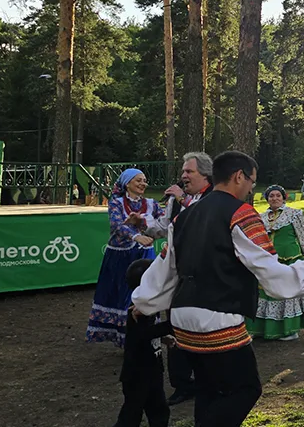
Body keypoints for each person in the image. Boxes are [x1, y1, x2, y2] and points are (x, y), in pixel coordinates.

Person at [131, 151, 304, 427]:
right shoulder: (241, 214)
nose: (251, 189)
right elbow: (268, 266)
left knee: (209, 390)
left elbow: (165, 267)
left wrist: (144, 301)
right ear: (239, 176)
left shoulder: (184, 217)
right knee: (246, 389)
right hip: (218, 318)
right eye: (251, 182)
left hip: (182, 320)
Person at [87, 168, 167, 347]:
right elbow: (116, 225)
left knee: (147, 292)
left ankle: (147, 334)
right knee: (122, 294)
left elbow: (163, 223)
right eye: (138, 180)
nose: (143, 183)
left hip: (144, 255)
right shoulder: (116, 203)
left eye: (144, 180)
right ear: (127, 183)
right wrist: (135, 235)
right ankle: (125, 338)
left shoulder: (152, 204)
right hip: (120, 256)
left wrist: (142, 223)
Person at [159, 152, 214, 406]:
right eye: (182, 172)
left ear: (205, 175)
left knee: (202, 326)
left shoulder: (214, 198)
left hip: (205, 276)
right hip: (179, 273)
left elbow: (203, 221)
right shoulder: (177, 198)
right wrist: (142, 227)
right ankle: (182, 384)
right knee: (173, 325)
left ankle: (205, 379)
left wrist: (182, 199)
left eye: (188, 172)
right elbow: (165, 226)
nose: (183, 176)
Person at [246, 185, 304, 341]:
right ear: (267, 199)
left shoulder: (294, 214)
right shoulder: (261, 217)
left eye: (278, 195)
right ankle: (261, 329)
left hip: (289, 259)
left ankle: (289, 329)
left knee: (288, 292)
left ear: (284, 197)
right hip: (268, 260)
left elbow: (303, 235)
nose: (275, 198)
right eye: (271, 196)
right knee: (266, 291)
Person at [113, 258, 171, 427]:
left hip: (153, 370)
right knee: (131, 414)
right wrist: (173, 326)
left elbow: (147, 333)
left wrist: (163, 337)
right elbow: (144, 333)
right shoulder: (137, 310)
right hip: (137, 374)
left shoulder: (149, 306)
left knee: (159, 410)